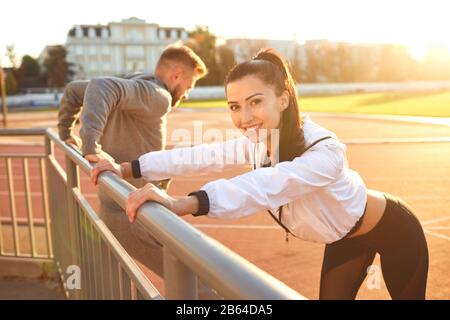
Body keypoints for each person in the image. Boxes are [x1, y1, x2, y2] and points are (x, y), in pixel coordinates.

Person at [91, 48, 429, 300]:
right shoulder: (260, 141)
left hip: (395, 230)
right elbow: (203, 155)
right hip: (344, 239)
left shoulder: (326, 152)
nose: (244, 117)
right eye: (235, 107)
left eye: (255, 102)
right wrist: (125, 167)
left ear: (283, 99)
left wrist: (182, 203)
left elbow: (263, 186)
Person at [58, 44, 208, 280]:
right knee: (192, 279)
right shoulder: (160, 97)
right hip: (132, 214)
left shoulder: (133, 87)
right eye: (188, 86)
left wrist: (66, 132)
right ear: (176, 75)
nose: (187, 94)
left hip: (120, 203)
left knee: (120, 281)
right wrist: (90, 146)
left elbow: (73, 91)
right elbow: (100, 85)